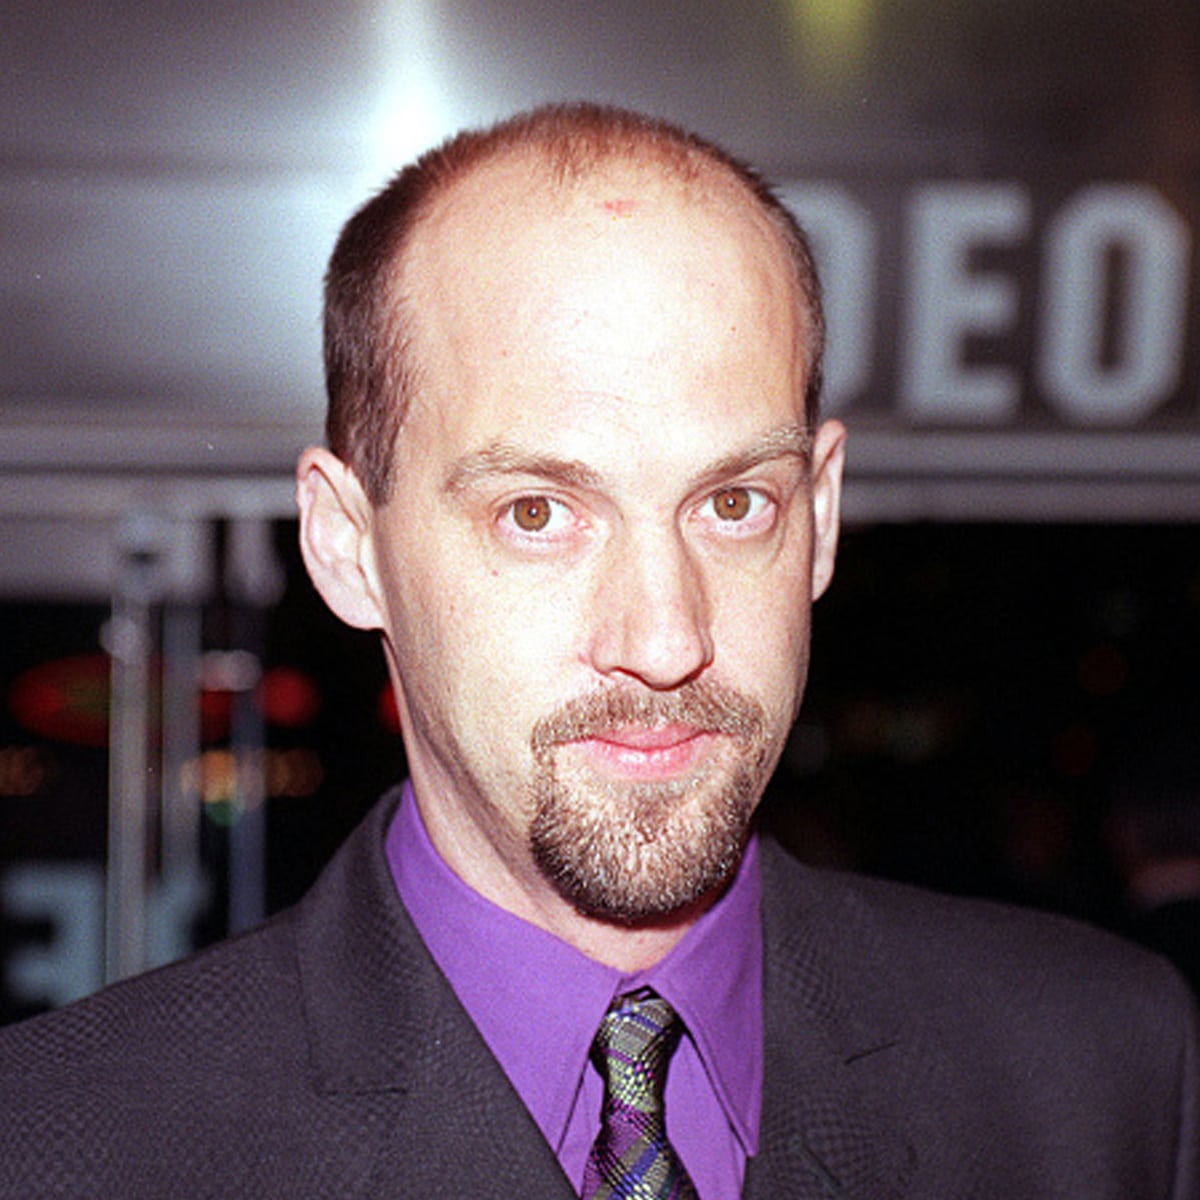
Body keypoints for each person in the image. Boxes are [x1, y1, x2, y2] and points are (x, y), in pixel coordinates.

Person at [0, 103, 1196, 1199]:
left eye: (735, 504)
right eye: (538, 515)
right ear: (348, 546)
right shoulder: (69, 1145)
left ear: (821, 515)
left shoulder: (1102, 1077)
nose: (667, 639)